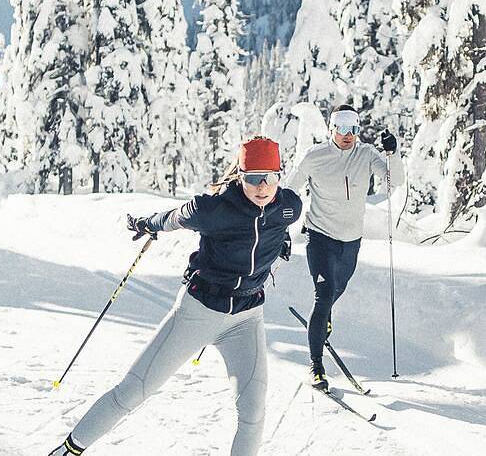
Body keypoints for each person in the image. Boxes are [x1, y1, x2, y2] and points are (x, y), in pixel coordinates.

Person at [49, 137, 303, 456]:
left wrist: (281, 241)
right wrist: (147, 225)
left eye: (270, 176)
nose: (262, 186)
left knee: (253, 410)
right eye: (253, 177)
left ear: (280, 175)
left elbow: (278, 224)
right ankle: (69, 449)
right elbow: (174, 217)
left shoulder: (289, 206)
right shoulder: (214, 209)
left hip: (247, 317)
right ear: (241, 176)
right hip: (199, 311)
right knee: (135, 390)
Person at [285, 105, 404, 391]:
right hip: (320, 237)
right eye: (341, 127)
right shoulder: (315, 157)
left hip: (351, 240)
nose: (347, 134)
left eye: (353, 128)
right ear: (331, 128)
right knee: (324, 295)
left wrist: (393, 154)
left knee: (338, 289)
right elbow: (289, 192)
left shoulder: (366, 155)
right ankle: (316, 364)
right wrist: (280, 231)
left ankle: (323, 320)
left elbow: (394, 182)